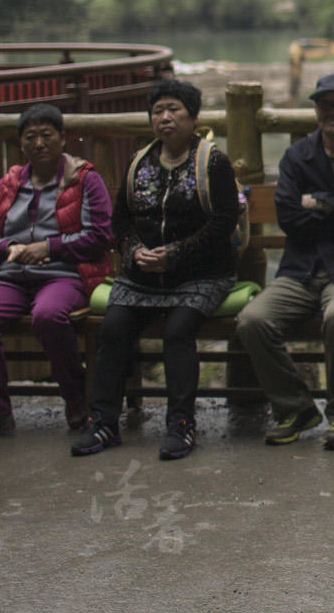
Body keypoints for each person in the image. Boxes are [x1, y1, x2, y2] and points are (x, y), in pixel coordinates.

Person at [73, 78, 240, 461]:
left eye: (174, 110)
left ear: (192, 117)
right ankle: (103, 421)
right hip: (143, 275)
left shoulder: (212, 161)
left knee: (178, 332)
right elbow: (121, 221)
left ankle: (181, 424)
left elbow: (223, 221)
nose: (165, 118)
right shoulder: (139, 161)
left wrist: (176, 255)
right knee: (113, 329)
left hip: (201, 274)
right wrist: (134, 253)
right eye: (157, 111)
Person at [236, 72, 334, 449]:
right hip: (302, 268)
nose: (333, 112)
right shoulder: (297, 156)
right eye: (326, 104)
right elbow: (290, 217)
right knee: (252, 320)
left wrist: (319, 202)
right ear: (316, 110)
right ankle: (295, 407)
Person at [0, 103, 113, 441]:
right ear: (21, 144)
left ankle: (76, 398)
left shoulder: (86, 180)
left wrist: (50, 248)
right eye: (31, 137)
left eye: (47, 135)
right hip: (13, 275)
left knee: (47, 317)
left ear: (63, 138)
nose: (39, 143)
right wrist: (8, 250)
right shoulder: (9, 183)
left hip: (66, 274)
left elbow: (100, 236)